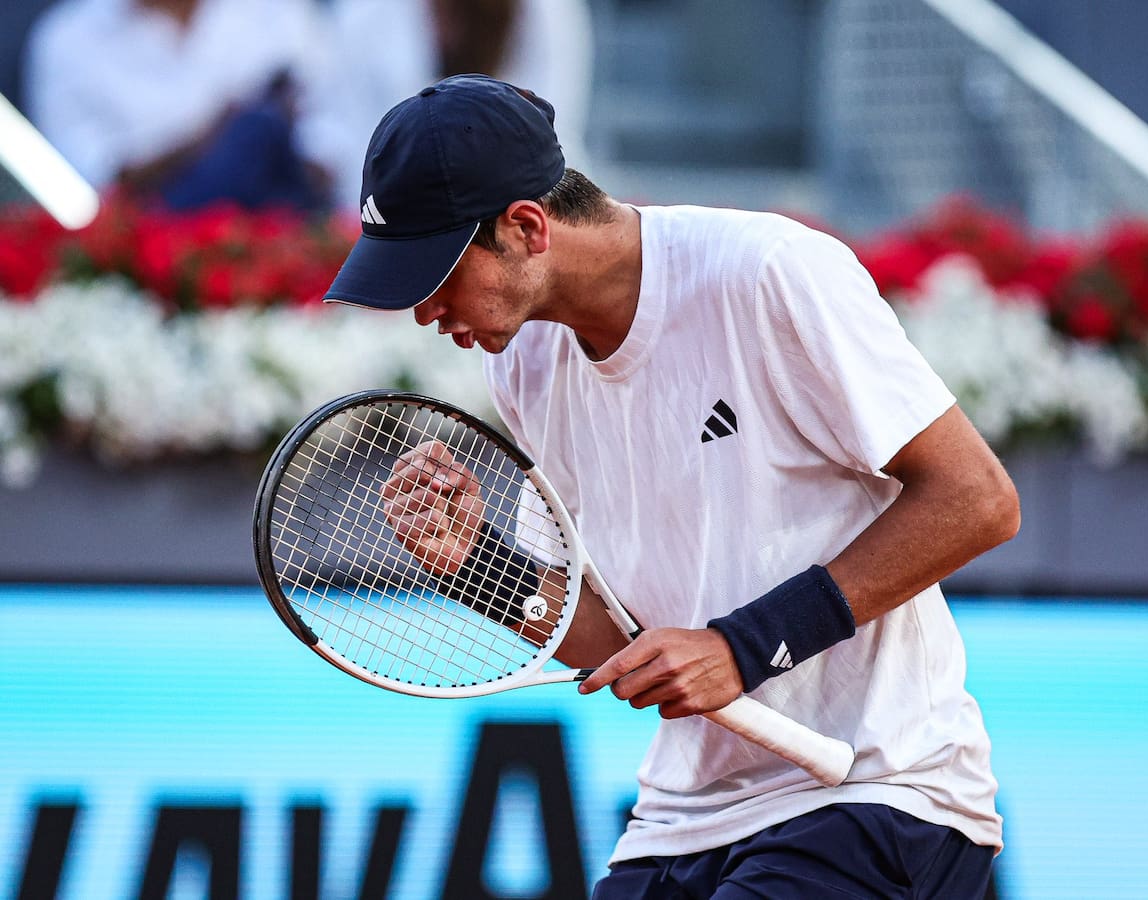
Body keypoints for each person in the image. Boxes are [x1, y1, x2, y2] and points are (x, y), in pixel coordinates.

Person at [324, 74, 1021, 898]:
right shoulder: (524, 364)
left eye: (435, 271)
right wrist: (475, 562)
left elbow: (979, 500)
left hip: (880, 790)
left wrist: (745, 646)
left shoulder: (767, 273)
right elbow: (619, 644)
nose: (423, 309)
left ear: (525, 227)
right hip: (687, 815)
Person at [23, 0, 329, 211]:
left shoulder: (278, 10)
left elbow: (335, 152)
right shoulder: (67, 38)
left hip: (290, 231)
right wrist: (217, 134)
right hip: (155, 249)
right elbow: (96, 185)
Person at [299, 0, 593, 213]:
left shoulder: (549, 13)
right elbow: (333, 124)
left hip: (507, 207)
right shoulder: (365, 13)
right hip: (377, 209)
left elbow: (550, 128)